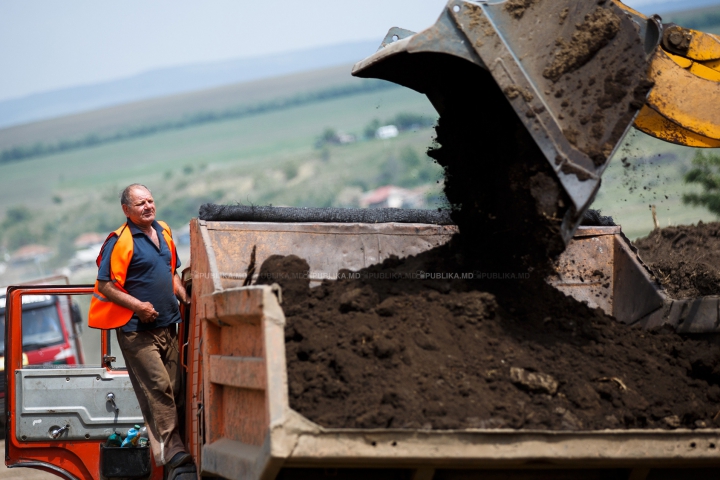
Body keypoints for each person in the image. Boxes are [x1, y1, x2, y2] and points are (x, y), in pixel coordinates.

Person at [88, 183, 191, 469]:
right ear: (126, 210)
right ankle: (171, 450)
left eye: (150, 201)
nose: (147, 207)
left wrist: (184, 294)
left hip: (168, 324)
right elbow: (106, 285)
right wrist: (139, 307)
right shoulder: (119, 241)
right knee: (158, 388)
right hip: (136, 330)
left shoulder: (164, 231)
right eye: (140, 203)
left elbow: (171, 272)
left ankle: (178, 444)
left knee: (176, 387)